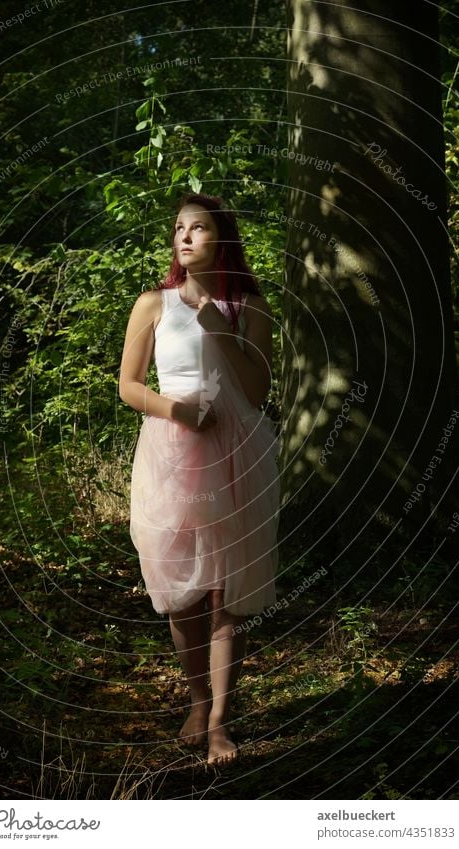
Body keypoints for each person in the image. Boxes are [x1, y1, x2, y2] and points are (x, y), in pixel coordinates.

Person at [119, 192, 280, 766]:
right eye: (179, 228)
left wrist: (218, 324)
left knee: (227, 595)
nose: (184, 238)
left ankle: (218, 721)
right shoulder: (153, 304)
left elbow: (257, 393)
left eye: (199, 228)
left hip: (238, 453)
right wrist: (177, 411)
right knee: (181, 592)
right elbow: (129, 386)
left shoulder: (251, 307)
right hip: (173, 448)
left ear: (223, 239)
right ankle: (194, 698)